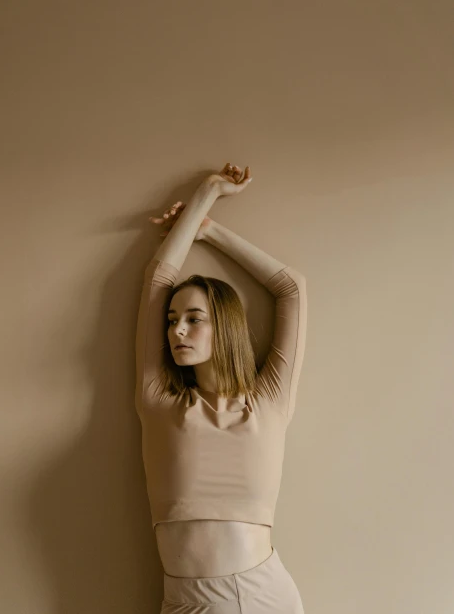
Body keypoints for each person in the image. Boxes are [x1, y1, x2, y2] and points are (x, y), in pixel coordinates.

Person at [136, 162, 308, 613]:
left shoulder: (269, 401)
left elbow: (291, 288)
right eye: (172, 321)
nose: (177, 331)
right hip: (184, 601)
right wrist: (205, 195)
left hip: (261, 596)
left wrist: (209, 229)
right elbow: (158, 280)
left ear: (226, 328)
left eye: (195, 319)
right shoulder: (159, 401)